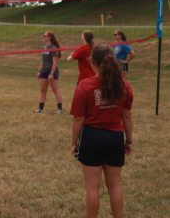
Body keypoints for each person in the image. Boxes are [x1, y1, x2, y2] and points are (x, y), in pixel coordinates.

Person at [70, 44, 133, 218]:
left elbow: (78, 119)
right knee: (115, 185)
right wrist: (128, 141)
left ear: (92, 62)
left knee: (93, 187)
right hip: (115, 138)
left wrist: (73, 143)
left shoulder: (84, 85)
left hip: (92, 138)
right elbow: (126, 118)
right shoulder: (123, 85)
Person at [35, 31, 64, 114]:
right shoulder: (43, 48)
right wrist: (39, 71)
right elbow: (42, 61)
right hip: (43, 71)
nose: (43, 37)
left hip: (51, 71)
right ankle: (40, 108)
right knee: (43, 90)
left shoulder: (54, 47)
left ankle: (59, 109)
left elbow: (55, 62)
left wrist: (51, 73)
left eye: (45, 35)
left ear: (49, 37)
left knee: (55, 90)